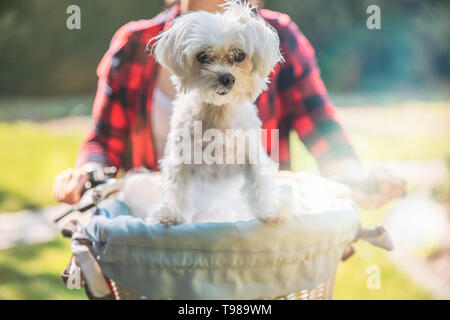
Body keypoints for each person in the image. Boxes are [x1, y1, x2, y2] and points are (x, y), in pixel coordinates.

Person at [53, 0, 406, 209]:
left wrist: (358, 179)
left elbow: (323, 130)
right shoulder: (133, 44)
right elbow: (103, 142)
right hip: (157, 244)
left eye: (237, 59)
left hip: (249, 240)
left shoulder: (277, 38)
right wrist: (87, 173)